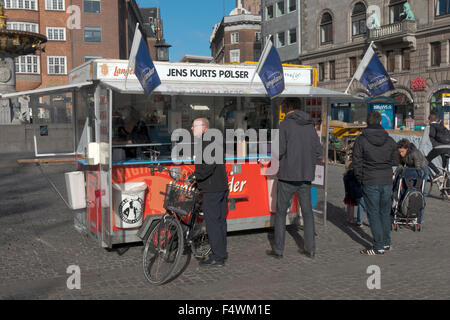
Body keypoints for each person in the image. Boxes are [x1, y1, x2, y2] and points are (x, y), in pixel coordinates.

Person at [266, 99, 322, 260]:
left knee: (281, 213)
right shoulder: (310, 126)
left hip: (287, 176)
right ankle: (310, 249)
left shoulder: (285, 125)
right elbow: (318, 150)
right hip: (305, 177)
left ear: (288, 108)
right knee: (307, 212)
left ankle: (278, 249)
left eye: (284, 108)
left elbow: (277, 151)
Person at [352, 112, 399, 256]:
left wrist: (360, 178)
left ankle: (378, 246)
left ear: (367, 122)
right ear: (380, 122)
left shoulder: (361, 140)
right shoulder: (390, 140)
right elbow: (396, 161)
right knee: (385, 212)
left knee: (373, 214)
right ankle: (386, 242)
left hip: (370, 179)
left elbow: (356, 162)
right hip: (385, 179)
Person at [189, 118, 229, 267]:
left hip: (212, 188)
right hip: (221, 185)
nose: (191, 129)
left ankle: (217, 257)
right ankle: (221, 254)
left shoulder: (207, 140)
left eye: (194, 126)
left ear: (203, 127)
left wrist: (196, 176)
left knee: (213, 224)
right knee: (220, 222)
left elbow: (209, 164)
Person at [396, 139, 428, 223]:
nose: (401, 154)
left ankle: (419, 218)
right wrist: (396, 172)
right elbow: (400, 165)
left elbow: (418, 168)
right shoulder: (401, 153)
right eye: (399, 152)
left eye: (402, 152)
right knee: (406, 189)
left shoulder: (415, 153)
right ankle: (405, 211)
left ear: (406, 149)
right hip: (411, 169)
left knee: (420, 191)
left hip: (421, 170)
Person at [425, 113, 450, 180]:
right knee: (445, 166)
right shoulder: (443, 127)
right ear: (437, 119)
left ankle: (437, 173)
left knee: (426, 160)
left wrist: (419, 150)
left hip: (438, 147)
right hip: (448, 147)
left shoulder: (429, 127)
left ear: (429, 120)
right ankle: (446, 184)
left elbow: (423, 141)